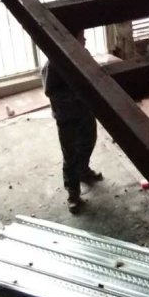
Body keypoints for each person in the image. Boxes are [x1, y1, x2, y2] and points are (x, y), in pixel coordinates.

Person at [42, 31, 102, 213]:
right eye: (81, 37)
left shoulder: (83, 55)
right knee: (70, 155)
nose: (85, 40)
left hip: (85, 111)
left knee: (88, 142)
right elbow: (51, 92)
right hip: (67, 116)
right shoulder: (53, 64)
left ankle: (83, 170)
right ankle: (73, 194)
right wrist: (78, 94)